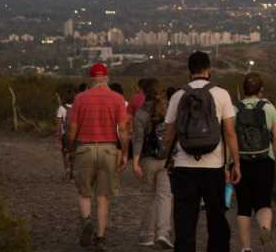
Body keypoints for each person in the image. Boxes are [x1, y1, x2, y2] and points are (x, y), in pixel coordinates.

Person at [162, 51, 241, 252]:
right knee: (216, 219)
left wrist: (167, 156)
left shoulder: (178, 96)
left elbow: (169, 134)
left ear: (189, 71)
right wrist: (236, 163)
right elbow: (230, 133)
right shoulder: (221, 94)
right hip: (213, 167)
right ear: (209, 70)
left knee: (185, 221)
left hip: (184, 166)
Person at [65, 63, 130, 251]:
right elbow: (123, 130)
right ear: (107, 78)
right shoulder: (117, 99)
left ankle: (86, 220)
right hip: (109, 150)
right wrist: (124, 153)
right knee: (103, 196)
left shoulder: (80, 99)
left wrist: (71, 150)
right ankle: (100, 237)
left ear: (91, 79)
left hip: (84, 148)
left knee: (84, 192)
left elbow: (72, 130)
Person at [233, 73, 276, 251]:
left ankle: (246, 248)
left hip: (241, 161)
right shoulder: (268, 107)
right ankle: (265, 227)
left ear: (243, 89)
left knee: (243, 206)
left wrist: (229, 164)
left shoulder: (235, 108)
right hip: (264, 161)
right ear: (261, 90)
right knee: (264, 201)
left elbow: (229, 138)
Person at [132, 80, 174, 249]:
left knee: (149, 196)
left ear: (144, 93)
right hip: (166, 159)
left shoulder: (141, 113)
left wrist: (135, 163)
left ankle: (146, 235)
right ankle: (163, 232)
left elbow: (138, 140)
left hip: (148, 160)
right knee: (165, 196)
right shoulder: (169, 110)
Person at [56, 84, 76, 180]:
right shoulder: (77, 108)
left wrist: (58, 137)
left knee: (65, 153)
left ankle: (67, 168)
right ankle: (72, 171)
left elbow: (59, 124)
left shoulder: (61, 108)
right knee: (74, 153)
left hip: (65, 135)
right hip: (76, 134)